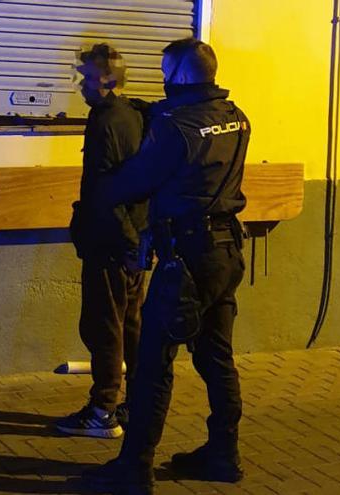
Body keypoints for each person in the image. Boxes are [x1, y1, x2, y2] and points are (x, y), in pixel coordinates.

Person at [83, 38, 250, 495]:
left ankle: (134, 468)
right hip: (225, 251)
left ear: (177, 75)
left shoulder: (174, 128)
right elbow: (186, 122)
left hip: (187, 259)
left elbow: (135, 182)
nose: (161, 78)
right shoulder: (234, 117)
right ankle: (223, 454)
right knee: (216, 357)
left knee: (154, 363)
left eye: (164, 70)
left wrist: (101, 191)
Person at [58, 43, 147, 439]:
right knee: (130, 326)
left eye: (87, 78)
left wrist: (126, 246)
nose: (80, 86)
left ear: (108, 81)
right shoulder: (132, 115)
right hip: (129, 243)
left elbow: (106, 191)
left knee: (105, 328)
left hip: (113, 245)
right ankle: (137, 403)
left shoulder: (106, 122)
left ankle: (102, 410)